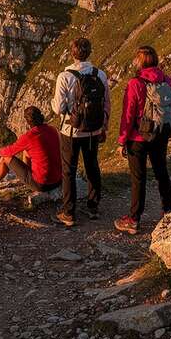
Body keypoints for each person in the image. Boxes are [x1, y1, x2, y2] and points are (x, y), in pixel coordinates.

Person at [114, 45, 171, 235]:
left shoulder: (136, 83)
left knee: (138, 178)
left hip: (138, 137)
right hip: (160, 133)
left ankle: (134, 219)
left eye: (136, 59)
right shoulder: (166, 80)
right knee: (161, 172)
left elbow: (128, 113)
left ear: (140, 62)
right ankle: (168, 210)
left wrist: (121, 140)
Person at [51, 37, 110, 227]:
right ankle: (93, 207)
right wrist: (104, 126)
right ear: (89, 52)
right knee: (92, 166)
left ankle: (68, 212)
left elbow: (59, 109)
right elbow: (106, 102)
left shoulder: (65, 76)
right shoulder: (99, 74)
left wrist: (53, 105)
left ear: (72, 53)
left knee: (69, 170)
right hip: (93, 130)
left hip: (71, 131)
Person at [0, 106, 63, 193]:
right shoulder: (53, 130)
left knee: (5, 158)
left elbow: (9, 151)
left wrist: (0, 150)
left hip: (42, 184)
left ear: (27, 121)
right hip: (58, 180)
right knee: (26, 151)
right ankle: (28, 178)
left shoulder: (29, 136)